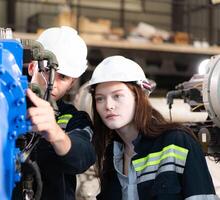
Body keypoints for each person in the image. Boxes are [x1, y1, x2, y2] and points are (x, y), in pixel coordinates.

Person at [87, 55, 218, 199]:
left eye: (117, 96)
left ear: (140, 96)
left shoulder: (177, 142)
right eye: (100, 98)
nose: (108, 106)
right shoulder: (112, 154)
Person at [21, 26, 96, 200]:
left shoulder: (75, 119)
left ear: (72, 83)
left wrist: (55, 133)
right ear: (32, 67)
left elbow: (83, 157)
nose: (53, 83)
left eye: (63, 77)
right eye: (47, 71)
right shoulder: (4, 107)